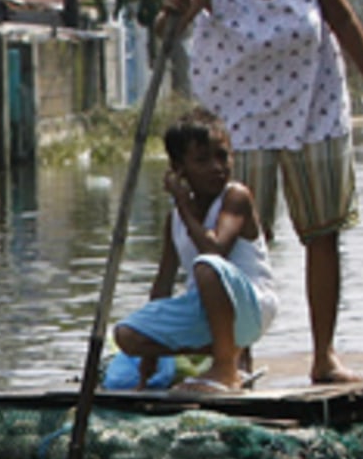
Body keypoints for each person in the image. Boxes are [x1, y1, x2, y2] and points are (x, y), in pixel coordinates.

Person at [162, 0, 363, 385]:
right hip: (241, 119)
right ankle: (237, 358)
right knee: (239, 241)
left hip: (315, 106)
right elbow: (168, 31)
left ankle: (324, 357)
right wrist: (171, 11)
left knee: (322, 231)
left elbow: (344, 20)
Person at [107, 110, 277, 394]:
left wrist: (184, 205)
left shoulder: (236, 197)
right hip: (206, 309)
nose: (217, 167)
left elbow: (215, 250)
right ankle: (229, 353)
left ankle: (226, 368)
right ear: (179, 168)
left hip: (252, 306)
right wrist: (147, 366)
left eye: (222, 156)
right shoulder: (174, 219)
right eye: (202, 160)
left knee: (206, 266)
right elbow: (162, 284)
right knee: (126, 335)